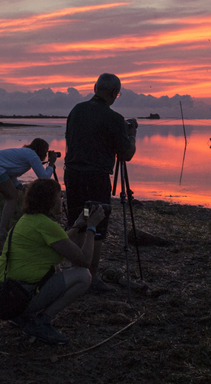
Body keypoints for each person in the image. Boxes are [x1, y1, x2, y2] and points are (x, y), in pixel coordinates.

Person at [0, 178, 105, 345]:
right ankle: (42, 321)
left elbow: (60, 243)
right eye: (59, 196)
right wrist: (92, 228)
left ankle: (21, 317)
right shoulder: (47, 226)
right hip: (16, 297)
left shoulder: (28, 220)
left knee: (54, 268)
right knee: (83, 275)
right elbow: (85, 261)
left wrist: (78, 225)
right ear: (49, 201)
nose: (62, 200)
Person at [63, 73, 136, 293]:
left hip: (72, 173)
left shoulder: (76, 110)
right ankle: (91, 278)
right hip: (96, 177)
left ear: (95, 88)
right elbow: (126, 154)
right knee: (96, 226)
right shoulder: (114, 119)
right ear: (114, 94)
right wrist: (131, 134)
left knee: (77, 222)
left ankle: (74, 271)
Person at [0, 138, 57, 240]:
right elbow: (43, 177)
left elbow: (9, 174)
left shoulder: (25, 153)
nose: (46, 154)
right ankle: (1, 231)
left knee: (11, 196)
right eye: (46, 151)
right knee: (12, 197)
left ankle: (5, 229)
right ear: (42, 150)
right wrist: (51, 164)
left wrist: (21, 187)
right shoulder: (32, 154)